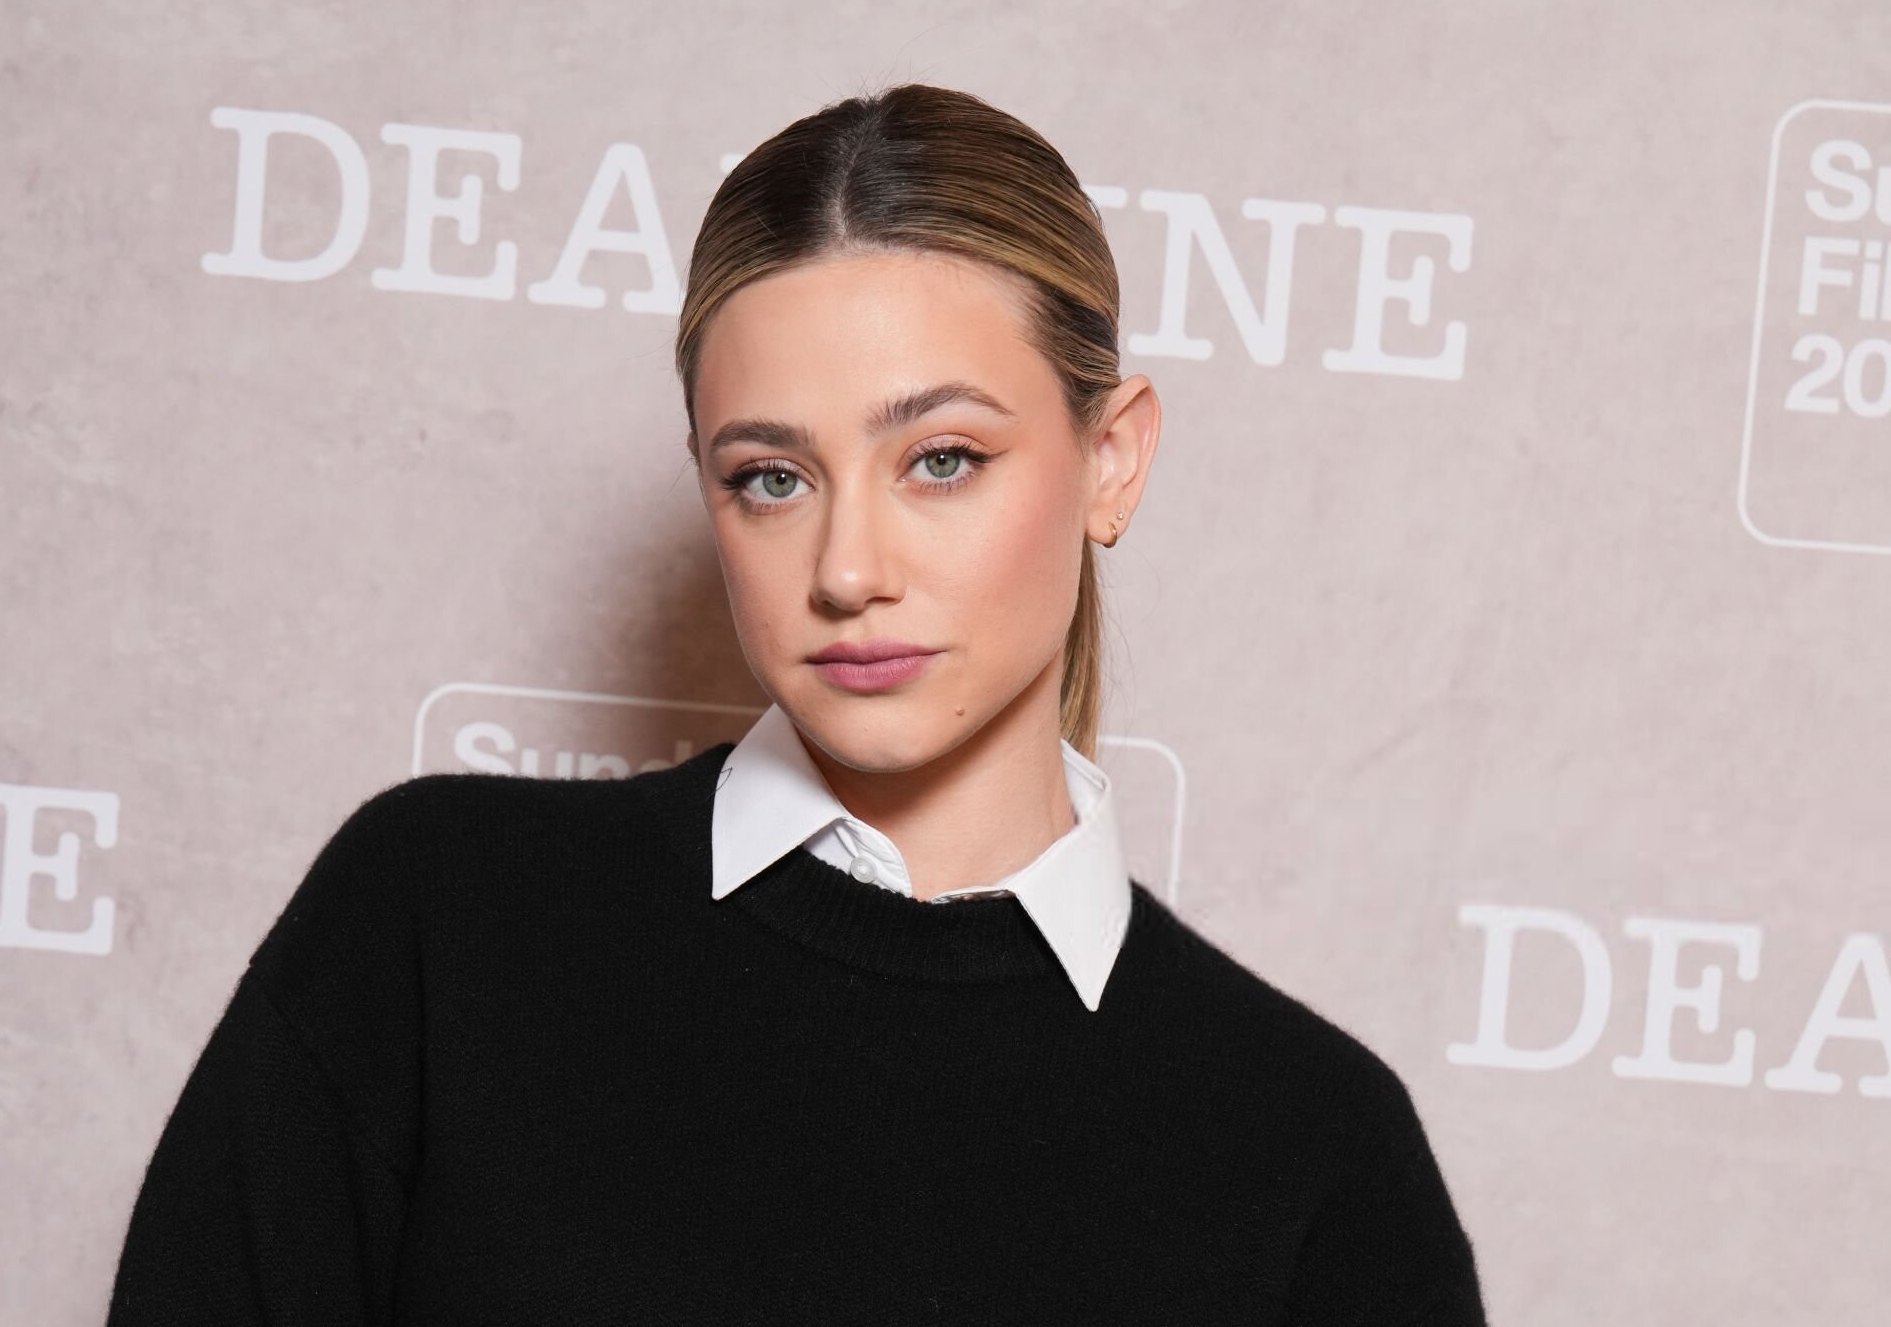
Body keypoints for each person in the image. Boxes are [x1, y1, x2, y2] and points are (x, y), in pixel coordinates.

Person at [104, 83, 1487, 1324]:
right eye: (771, 477)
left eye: (942, 459)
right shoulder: (438, 924)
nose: (846, 569)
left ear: (1111, 459)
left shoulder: (1316, 1155)